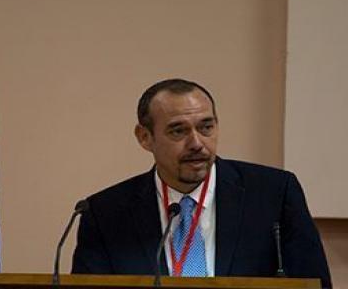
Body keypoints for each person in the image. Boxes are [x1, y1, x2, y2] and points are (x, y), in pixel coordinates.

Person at [71, 79, 332, 288]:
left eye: (206, 127)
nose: (196, 143)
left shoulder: (273, 194)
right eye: (178, 130)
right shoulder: (105, 213)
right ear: (145, 137)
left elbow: (315, 284)